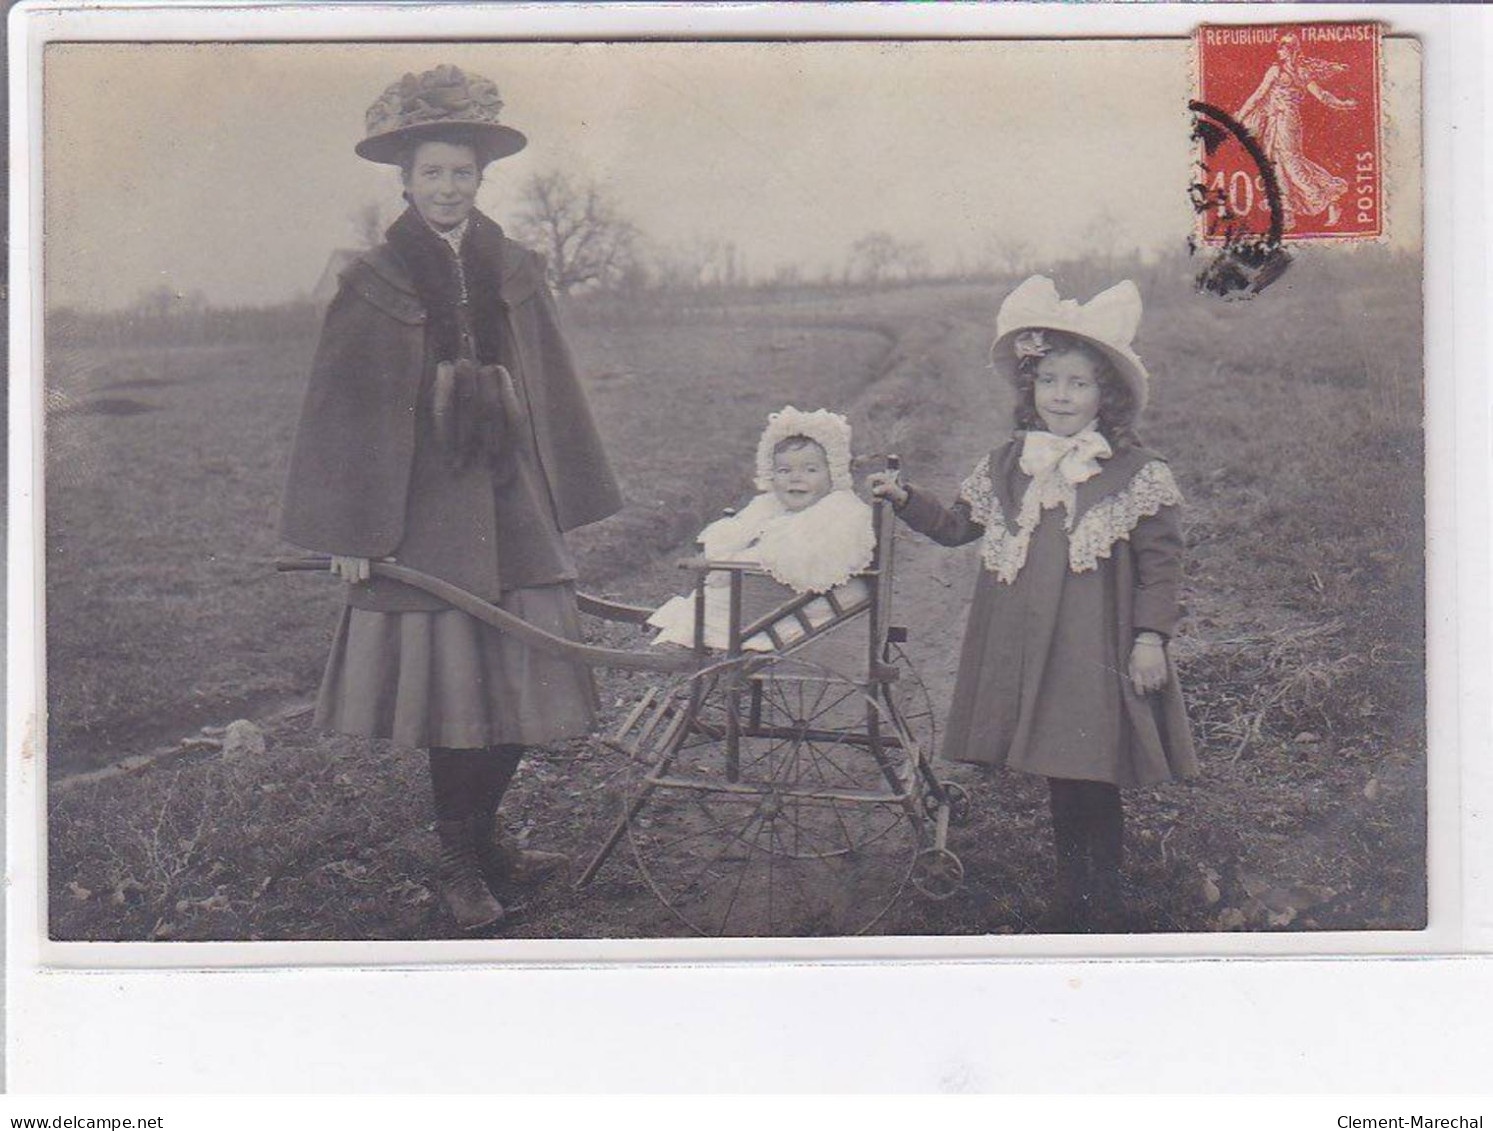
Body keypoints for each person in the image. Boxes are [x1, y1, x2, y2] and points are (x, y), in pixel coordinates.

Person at [280, 65, 623, 932]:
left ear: (480, 178)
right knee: (455, 692)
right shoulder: (374, 279)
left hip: (512, 504)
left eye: (460, 173)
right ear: (404, 180)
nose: (445, 188)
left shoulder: (513, 267)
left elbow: (551, 380)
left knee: (525, 667)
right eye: (430, 173)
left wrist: (562, 483)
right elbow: (343, 411)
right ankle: (459, 861)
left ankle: (489, 837)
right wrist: (346, 529)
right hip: (419, 510)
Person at [870, 275, 1198, 932]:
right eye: (1049, 381)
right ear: (1030, 388)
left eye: (1077, 384)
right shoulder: (1008, 462)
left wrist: (1148, 637)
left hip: (1094, 646)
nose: (1061, 396)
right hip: (1030, 641)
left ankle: (1097, 898)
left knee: (1090, 769)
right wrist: (906, 500)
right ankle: (1070, 890)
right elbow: (960, 525)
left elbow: (1161, 563)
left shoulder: (1135, 472)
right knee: (1059, 770)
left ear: (1104, 394)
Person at [648, 406, 875, 651]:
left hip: (811, 599)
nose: (795, 478)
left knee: (723, 597)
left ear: (833, 474)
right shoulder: (769, 507)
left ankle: (687, 638)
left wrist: (731, 563)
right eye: (784, 471)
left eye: (811, 470)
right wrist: (719, 557)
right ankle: (685, 632)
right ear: (771, 474)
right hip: (781, 596)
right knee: (716, 592)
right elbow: (739, 534)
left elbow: (788, 556)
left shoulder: (836, 512)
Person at [1236, 31, 1359, 230]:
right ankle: (1289, 213)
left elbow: (1258, 96)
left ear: (1291, 50)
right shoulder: (1301, 72)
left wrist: (1240, 117)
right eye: (1279, 47)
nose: (1279, 51)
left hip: (1283, 122)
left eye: (1283, 47)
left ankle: (1327, 199)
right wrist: (1343, 104)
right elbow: (1324, 96)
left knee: (1291, 165)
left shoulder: (1278, 71)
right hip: (1283, 121)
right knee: (1280, 164)